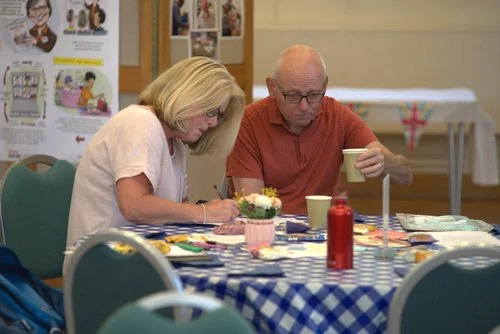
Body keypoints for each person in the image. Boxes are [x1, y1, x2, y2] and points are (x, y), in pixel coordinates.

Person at [65, 57, 244, 257]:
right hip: (103, 260)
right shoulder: (140, 122)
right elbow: (134, 206)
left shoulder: (175, 141)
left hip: (136, 254)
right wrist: (204, 212)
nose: (213, 123)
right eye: (211, 111)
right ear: (187, 96)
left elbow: (177, 209)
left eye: (219, 116)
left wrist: (213, 215)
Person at [226, 44, 413, 214]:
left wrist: (385, 162)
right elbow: (252, 208)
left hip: (320, 231)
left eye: (314, 94)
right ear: (272, 87)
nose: (304, 106)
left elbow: (405, 176)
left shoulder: (338, 116)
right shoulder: (248, 123)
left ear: (324, 85)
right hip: (268, 229)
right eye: (293, 95)